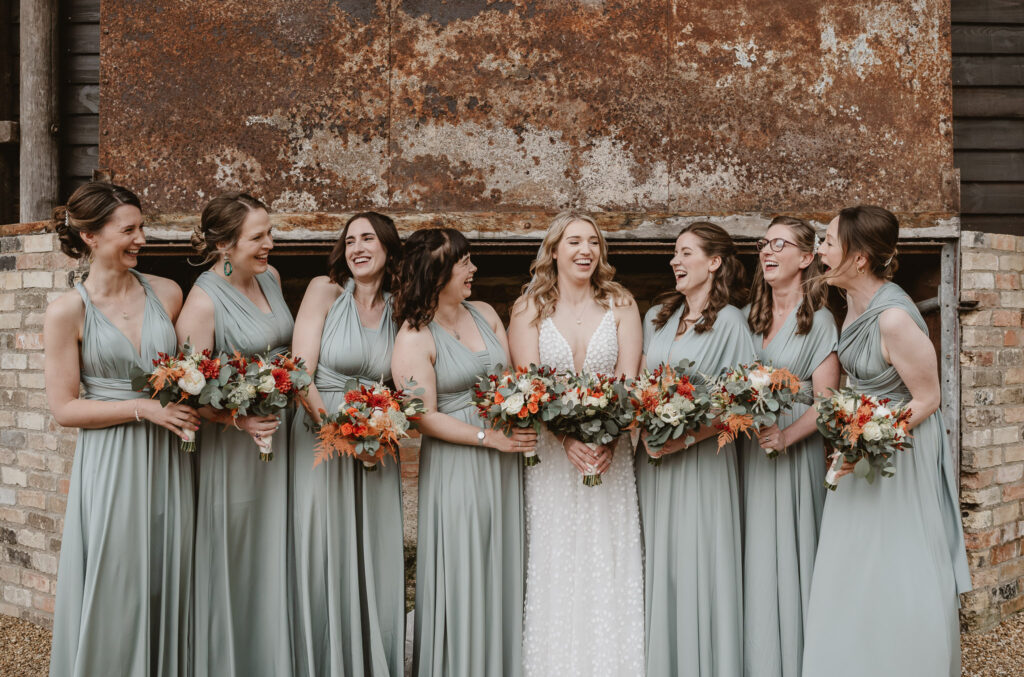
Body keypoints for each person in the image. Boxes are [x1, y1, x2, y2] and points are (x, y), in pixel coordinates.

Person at [802, 206, 971, 677]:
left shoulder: (894, 317)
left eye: (828, 241)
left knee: (894, 558)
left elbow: (929, 398)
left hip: (898, 451)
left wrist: (866, 439)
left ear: (858, 258)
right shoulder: (850, 304)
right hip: (863, 446)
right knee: (854, 561)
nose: (819, 250)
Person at [46, 182, 198, 676]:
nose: (141, 238)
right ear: (90, 236)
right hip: (110, 461)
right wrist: (143, 409)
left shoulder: (168, 293)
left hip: (168, 454)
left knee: (165, 573)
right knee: (117, 576)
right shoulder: (68, 310)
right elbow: (65, 408)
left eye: (141, 227)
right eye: (128, 229)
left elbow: (185, 376)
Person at [391, 228, 536, 677]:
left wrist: (520, 409)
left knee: (506, 562)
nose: (473, 269)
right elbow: (420, 416)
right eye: (465, 262)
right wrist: (485, 437)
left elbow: (515, 379)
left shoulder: (487, 313)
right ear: (438, 273)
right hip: (459, 462)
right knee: (466, 566)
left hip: (505, 458)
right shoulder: (414, 337)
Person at [506, 211, 645, 676]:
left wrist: (611, 439)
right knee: (557, 564)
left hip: (612, 456)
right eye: (574, 242)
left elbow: (629, 382)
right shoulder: (529, 309)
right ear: (554, 251)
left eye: (593, 242)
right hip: (553, 455)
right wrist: (566, 440)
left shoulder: (622, 304)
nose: (586, 250)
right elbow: (529, 387)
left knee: (610, 559)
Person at [175, 193, 294, 677]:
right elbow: (186, 390)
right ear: (224, 244)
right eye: (258, 237)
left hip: (281, 435)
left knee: (279, 552)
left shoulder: (272, 277)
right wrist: (235, 419)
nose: (270, 244)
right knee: (241, 555)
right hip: (234, 449)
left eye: (270, 232)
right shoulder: (201, 303)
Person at [636, 221, 756, 677]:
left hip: (703, 462)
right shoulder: (657, 317)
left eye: (686, 253)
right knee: (658, 564)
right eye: (674, 253)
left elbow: (743, 405)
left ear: (714, 262)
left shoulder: (730, 322)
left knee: (699, 566)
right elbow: (642, 387)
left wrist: (685, 438)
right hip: (653, 461)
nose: (675, 261)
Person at [289, 212, 405, 676]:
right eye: (350, 240)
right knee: (323, 549)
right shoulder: (325, 291)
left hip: (378, 440)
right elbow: (299, 372)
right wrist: (339, 430)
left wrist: (382, 427)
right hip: (322, 435)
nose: (358, 247)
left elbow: (408, 383)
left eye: (368, 239)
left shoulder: (404, 306)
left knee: (375, 551)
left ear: (389, 249)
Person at [742, 217, 839, 677]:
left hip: (791, 449)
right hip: (747, 445)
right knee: (751, 556)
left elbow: (826, 403)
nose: (767, 251)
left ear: (806, 259)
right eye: (764, 243)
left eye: (779, 244)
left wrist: (785, 435)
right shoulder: (749, 317)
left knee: (789, 557)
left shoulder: (819, 321)